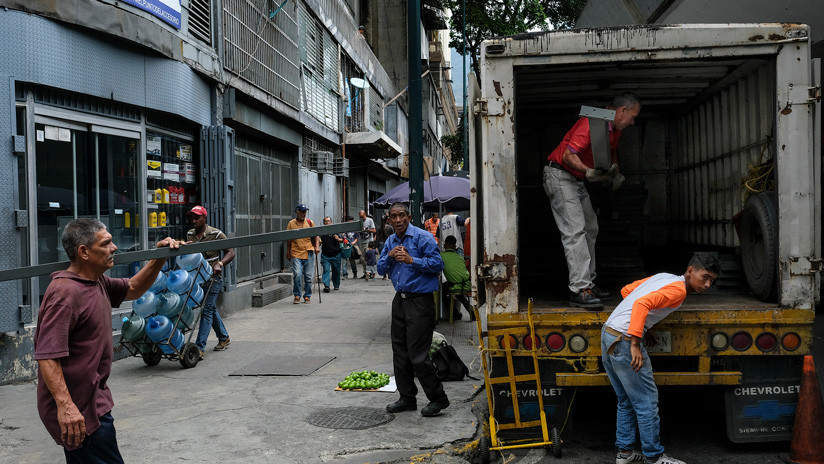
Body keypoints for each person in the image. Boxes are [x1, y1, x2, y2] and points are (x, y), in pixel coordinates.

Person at [34, 218, 183, 463]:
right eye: (106, 243)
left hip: (94, 400)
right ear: (84, 252)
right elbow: (47, 356)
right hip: (78, 411)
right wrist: (66, 407)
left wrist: (160, 257)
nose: (114, 248)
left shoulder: (96, 281)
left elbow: (133, 288)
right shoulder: (65, 294)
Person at [602, 253, 718, 464]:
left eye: (712, 280)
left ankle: (625, 454)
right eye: (705, 277)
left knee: (626, 400)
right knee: (646, 403)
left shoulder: (665, 277)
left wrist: (647, 326)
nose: (708, 284)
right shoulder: (678, 291)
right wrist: (635, 342)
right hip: (625, 340)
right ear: (690, 271)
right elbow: (641, 304)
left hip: (609, 333)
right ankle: (654, 457)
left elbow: (628, 291)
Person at [544, 92, 641, 309]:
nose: (633, 122)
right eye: (632, 117)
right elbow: (569, 155)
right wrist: (589, 172)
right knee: (575, 230)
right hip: (560, 176)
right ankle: (580, 289)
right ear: (621, 110)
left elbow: (613, 151)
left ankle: (588, 282)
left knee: (590, 228)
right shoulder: (592, 123)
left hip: (575, 180)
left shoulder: (614, 129)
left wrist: (615, 172)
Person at [378, 202, 449, 417]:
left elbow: (438, 264)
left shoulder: (422, 237)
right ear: (389, 220)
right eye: (393, 217)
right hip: (399, 300)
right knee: (400, 353)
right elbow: (380, 268)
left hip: (420, 301)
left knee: (418, 355)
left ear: (409, 217)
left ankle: (438, 399)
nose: (398, 220)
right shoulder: (390, 240)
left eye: (402, 216)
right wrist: (389, 256)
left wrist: (412, 260)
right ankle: (407, 398)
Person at [187, 206, 236, 358]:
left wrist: (220, 264)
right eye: (192, 218)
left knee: (206, 310)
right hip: (197, 279)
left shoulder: (216, 233)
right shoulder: (190, 234)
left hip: (213, 279)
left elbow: (231, 252)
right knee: (209, 308)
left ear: (205, 218)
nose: (194, 221)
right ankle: (224, 337)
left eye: (197, 218)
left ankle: (199, 348)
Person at [287, 204, 320, 304]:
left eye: (304, 212)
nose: (303, 214)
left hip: (309, 252)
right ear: (297, 212)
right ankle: (297, 295)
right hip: (296, 252)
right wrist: (288, 251)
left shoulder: (310, 222)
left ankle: (307, 296)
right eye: (301, 212)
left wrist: (317, 246)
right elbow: (288, 239)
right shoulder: (291, 224)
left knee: (308, 276)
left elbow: (316, 236)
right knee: (297, 274)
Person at [440, 236, 474, 321]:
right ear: (455, 247)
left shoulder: (440, 256)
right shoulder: (460, 257)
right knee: (459, 292)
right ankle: (472, 312)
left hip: (454, 287)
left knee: (442, 293)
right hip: (466, 286)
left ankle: (454, 314)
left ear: (444, 246)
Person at [320, 216, 343, 292]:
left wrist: (338, 239)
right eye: (326, 221)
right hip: (325, 255)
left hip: (336, 254)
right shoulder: (322, 232)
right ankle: (326, 286)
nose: (327, 222)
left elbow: (344, 240)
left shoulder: (336, 230)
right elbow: (318, 240)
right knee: (326, 270)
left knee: (336, 271)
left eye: (328, 221)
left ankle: (336, 285)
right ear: (324, 223)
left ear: (331, 222)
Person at [357, 209, 376, 278]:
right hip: (362, 241)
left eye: (362, 217)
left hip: (368, 242)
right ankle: (366, 272)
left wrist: (367, 230)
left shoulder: (370, 220)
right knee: (362, 258)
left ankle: (370, 272)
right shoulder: (359, 222)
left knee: (369, 258)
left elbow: (374, 230)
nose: (362, 218)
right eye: (360, 217)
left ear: (365, 214)